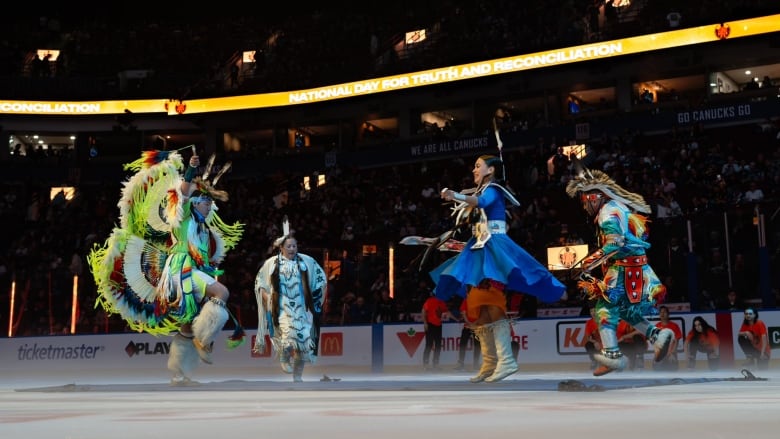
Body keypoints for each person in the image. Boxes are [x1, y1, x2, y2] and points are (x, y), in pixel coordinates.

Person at [88, 149, 245, 386]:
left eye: (210, 202)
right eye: (205, 202)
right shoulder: (182, 217)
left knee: (188, 322)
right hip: (180, 270)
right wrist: (191, 171)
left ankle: (179, 372)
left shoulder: (203, 230)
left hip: (191, 271)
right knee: (222, 293)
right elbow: (182, 191)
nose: (209, 206)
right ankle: (204, 341)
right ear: (194, 203)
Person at [434, 154, 566, 383]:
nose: (474, 170)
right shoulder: (481, 191)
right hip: (478, 249)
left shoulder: (493, 189)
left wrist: (455, 195)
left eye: (478, 166)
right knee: (478, 307)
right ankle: (489, 362)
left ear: (491, 170)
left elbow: (481, 203)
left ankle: (506, 361)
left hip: (493, 248)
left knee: (492, 302)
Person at [564, 165, 674, 376]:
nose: (584, 207)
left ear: (594, 198)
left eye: (585, 201)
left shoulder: (608, 212)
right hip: (634, 266)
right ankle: (657, 336)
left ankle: (613, 356)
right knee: (626, 311)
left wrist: (588, 263)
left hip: (624, 268)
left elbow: (615, 242)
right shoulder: (617, 207)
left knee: (603, 307)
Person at [254, 224, 327, 382]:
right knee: (288, 338)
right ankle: (284, 357)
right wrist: (269, 300)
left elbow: (321, 279)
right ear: (281, 247)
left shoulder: (306, 261)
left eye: (294, 246)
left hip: (302, 310)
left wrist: (317, 300)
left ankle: (298, 376)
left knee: (304, 345)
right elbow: (261, 285)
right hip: (282, 309)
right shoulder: (272, 264)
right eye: (289, 246)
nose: (292, 249)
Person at [421, 292, 449, 371]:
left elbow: (446, 311)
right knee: (429, 345)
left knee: (438, 345)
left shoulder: (442, 302)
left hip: (438, 325)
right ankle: (425, 364)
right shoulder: (430, 301)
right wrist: (425, 323)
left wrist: (456, 319)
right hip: (430, 325)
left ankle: (435, 364)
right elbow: (423, 311)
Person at [652, 305, 683, 371]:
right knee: (656, 366)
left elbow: (676, 341)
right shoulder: (656, 326)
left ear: (668, 314)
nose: (662, 314)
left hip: (671, 353)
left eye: (664, 312)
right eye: (661, 312)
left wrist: (672, 353)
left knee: (672, 366)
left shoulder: (674, 326)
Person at [455, 296, 480, 372]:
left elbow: (482, 314)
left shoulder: (478, 301)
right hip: (470, 325)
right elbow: (463, 312)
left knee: (476, 345)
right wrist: (469, 322)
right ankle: (462, 364)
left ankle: (474, 365)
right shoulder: (467, 300)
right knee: (464, 344)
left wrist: (469, 322)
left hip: (474, 326)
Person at [583, 304, 602, 371]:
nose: (593, 313)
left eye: (595, 311)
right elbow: (588, 337)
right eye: (591, 311)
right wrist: (595, 342)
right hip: (596, 343)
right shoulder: (589, 323)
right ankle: (594, 361)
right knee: (588, 345)